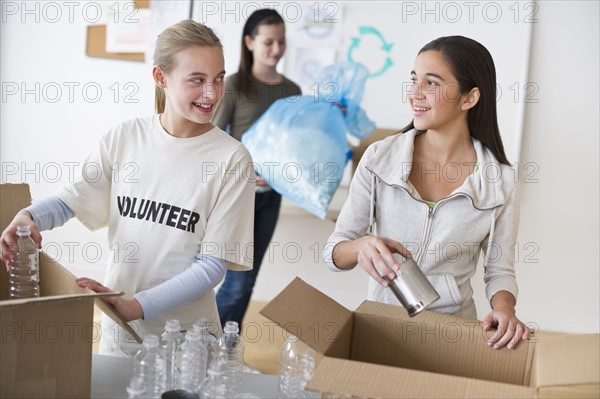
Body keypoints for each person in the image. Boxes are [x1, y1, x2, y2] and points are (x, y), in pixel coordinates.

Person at [0, 20, 255, 356]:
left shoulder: (232, 159)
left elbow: (211, 267)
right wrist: (29, 216)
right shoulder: (126, 138)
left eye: (218, 79)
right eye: (197, 80)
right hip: (121, 334)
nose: (212, 93)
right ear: (161, 78)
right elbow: (70, 201)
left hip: (187, 343)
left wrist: (139, 305)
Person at [323, 36, 530, 350]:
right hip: (381, 325)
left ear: (469, 98)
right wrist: (361, 246)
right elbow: (335, 252)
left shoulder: (498, 181)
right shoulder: (380, 158)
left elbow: (499, 269)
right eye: (413, 80)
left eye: (431, 83)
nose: (415, 94)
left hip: (452, 332)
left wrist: (504, 310)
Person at [212, 8, 301, 328]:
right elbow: (211, 140)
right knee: (234, 285)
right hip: (239, 197)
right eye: (268, 42)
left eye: (281, 41)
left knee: (249, 283)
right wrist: (243, 173)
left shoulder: (292, 91)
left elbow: (295, 145)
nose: (276, 49)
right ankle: (204, 345)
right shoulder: (234, 86)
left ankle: (227, 349)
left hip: (271, 197)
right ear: (249, 42)